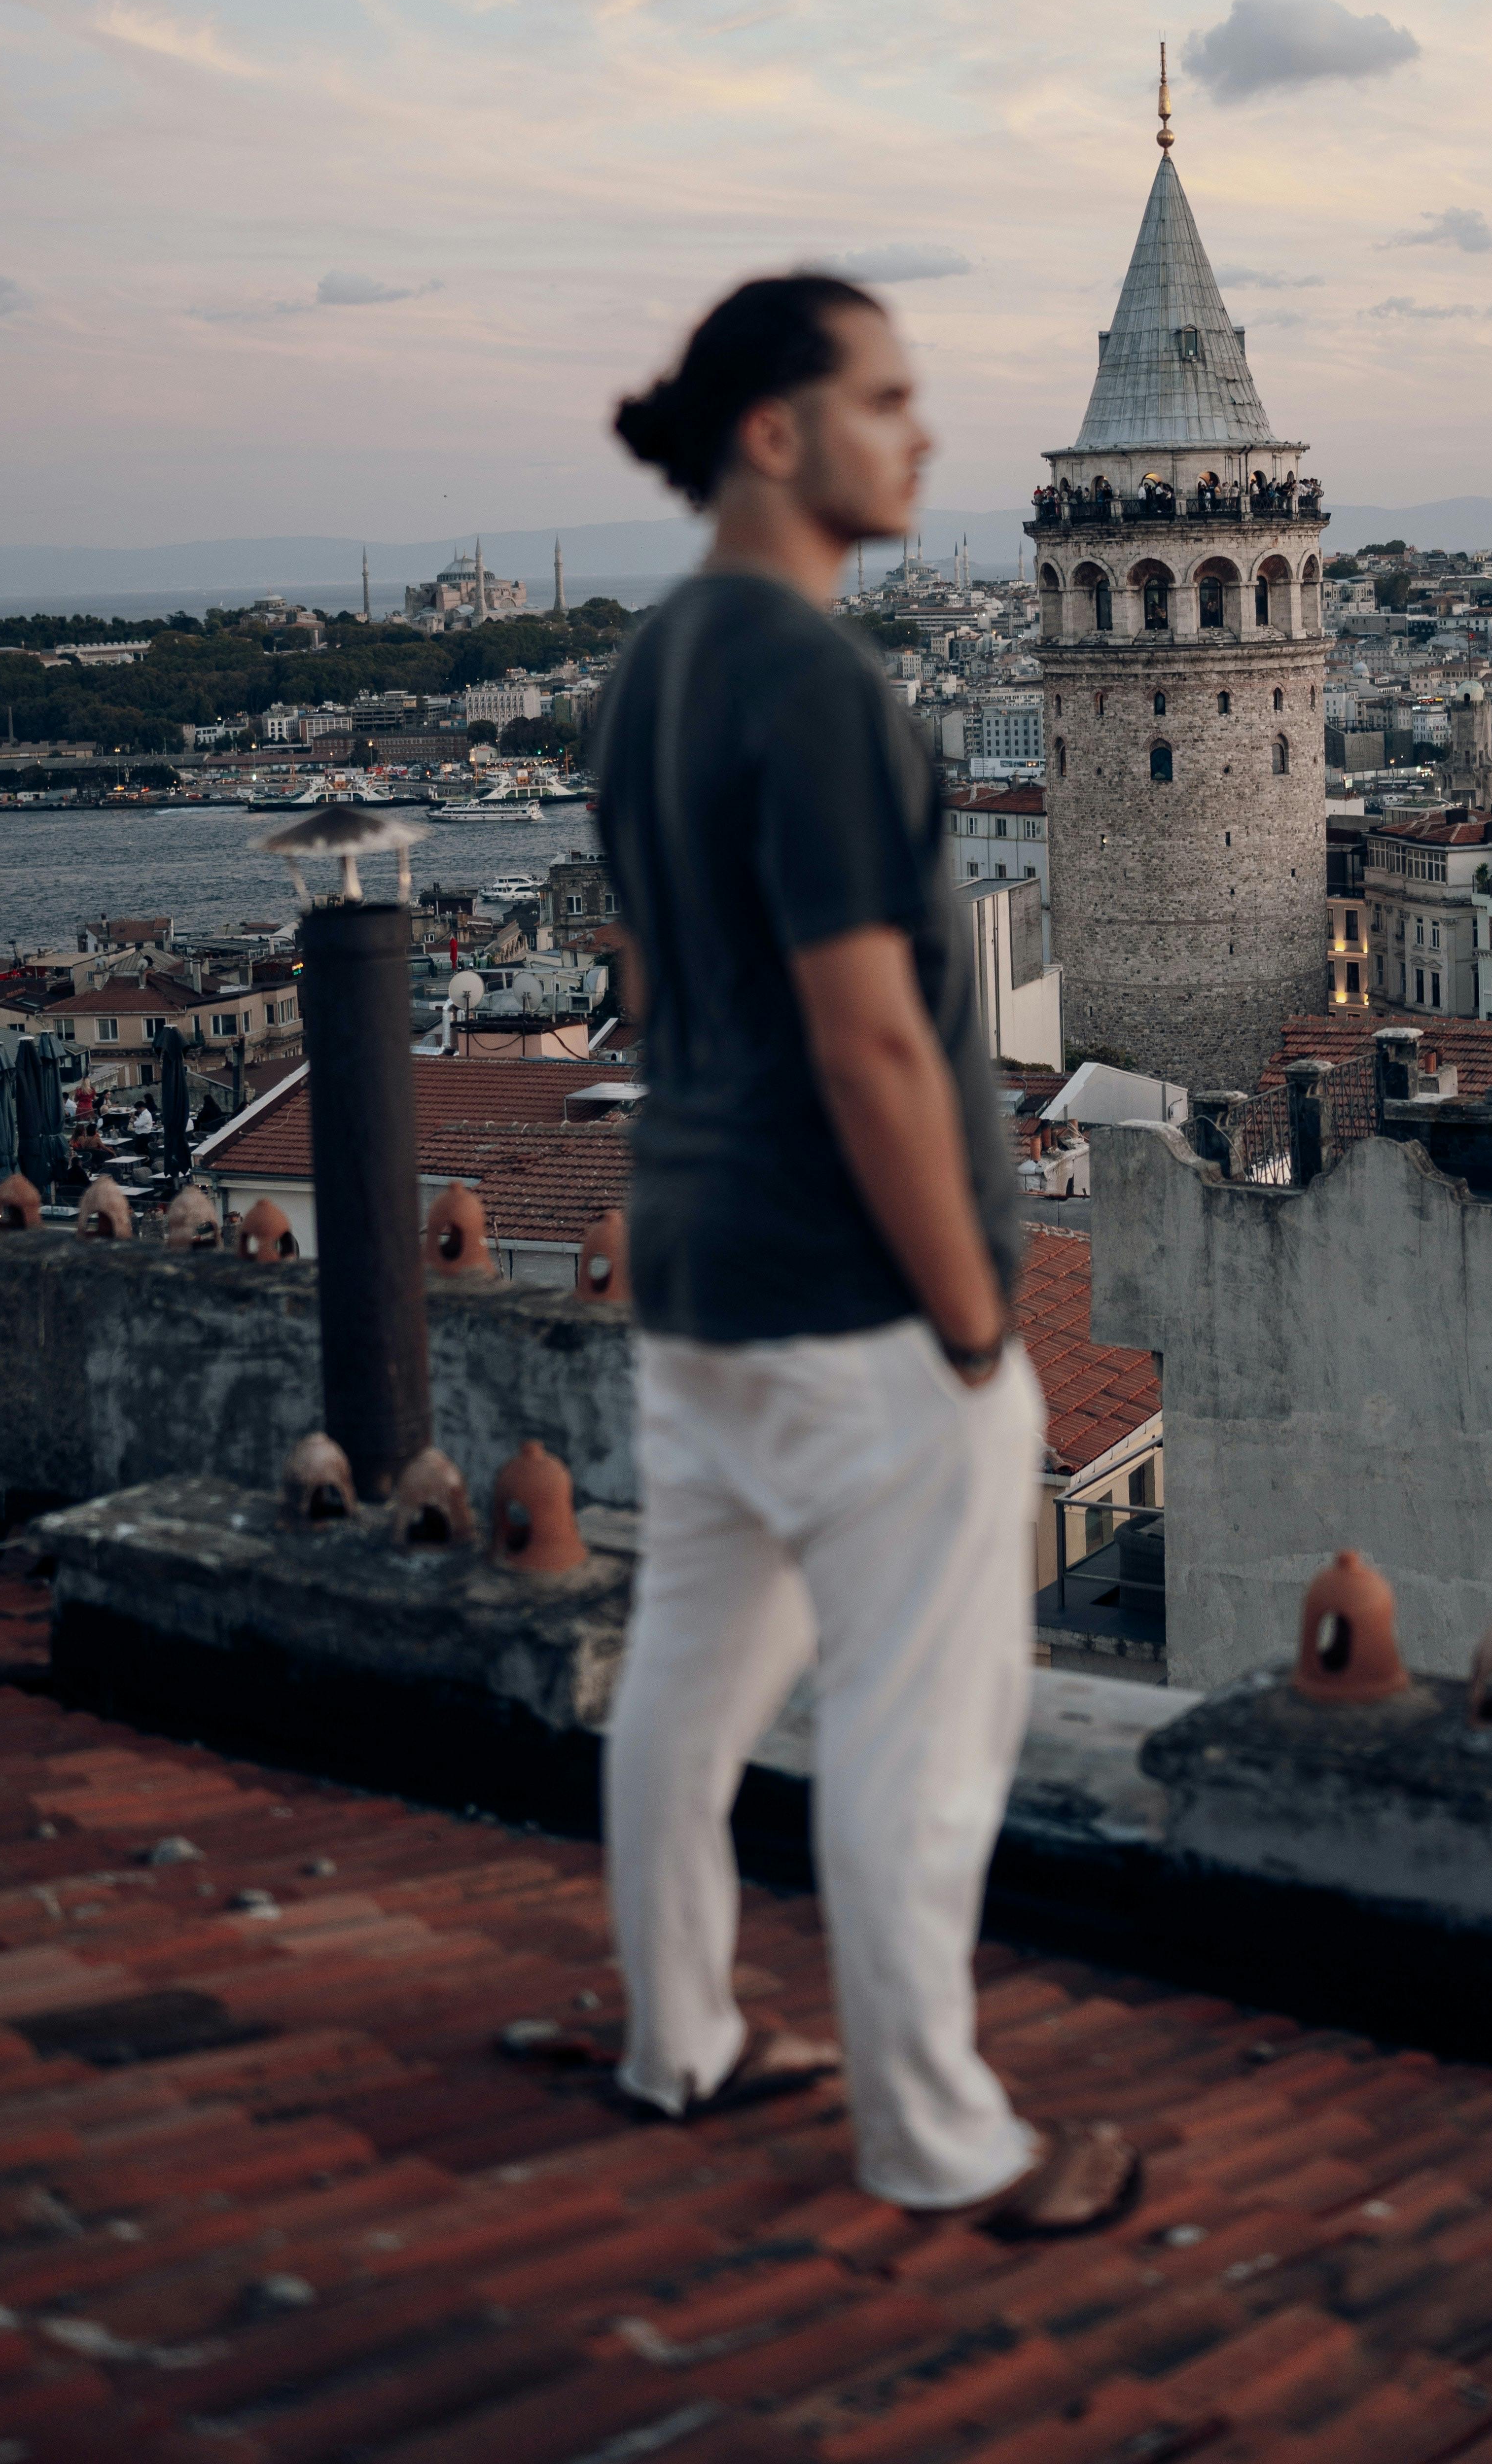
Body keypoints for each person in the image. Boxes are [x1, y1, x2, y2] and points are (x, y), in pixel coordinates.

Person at [583, 273, 1137, 2236]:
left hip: (699, 1267)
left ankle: (683, 2034)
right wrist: (977, 1315)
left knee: (692, 1678)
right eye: (885, 398)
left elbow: (658, 981)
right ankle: (941, 2132)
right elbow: (877, 1033)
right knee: (923, 1717)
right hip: (857, 1294)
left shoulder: (651, 667)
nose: (922, 434)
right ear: (773, 434)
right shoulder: (811, 685)